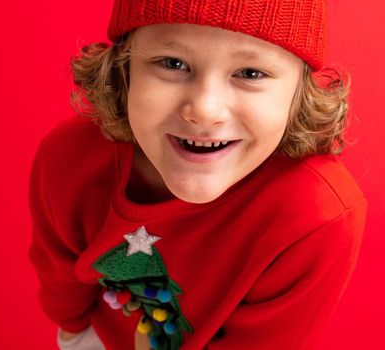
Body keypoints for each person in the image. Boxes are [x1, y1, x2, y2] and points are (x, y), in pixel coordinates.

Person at [28, 0, 367, 349]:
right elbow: (57, 270)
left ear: (300, 93)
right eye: (173, 64)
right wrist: (72, 334)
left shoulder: (316, 214)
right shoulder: (71, 154)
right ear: (122, 70)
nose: (205, 111)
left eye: (250, 73)